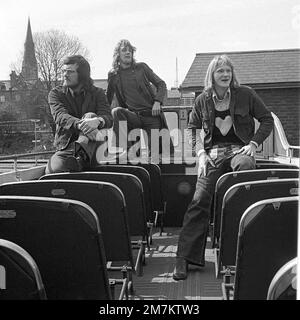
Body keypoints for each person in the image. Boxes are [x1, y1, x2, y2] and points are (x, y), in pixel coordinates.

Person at [173, 54, 274, 281]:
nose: (225, 75)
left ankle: (245, 250)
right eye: (220, 71)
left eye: (228, 70)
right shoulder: (202, 99)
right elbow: (191, 129)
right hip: (212, 155)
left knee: (246, 172)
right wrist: (200, 154)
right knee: (199, 199)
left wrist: (253, 143)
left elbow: (266, 119)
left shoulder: (246, 94)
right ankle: (184, 258)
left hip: (239, 151)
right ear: (212, 75)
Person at [45, 55, 113, 174]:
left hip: (95, 146)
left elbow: (108, 117)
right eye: (64, 71)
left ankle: (80, 158)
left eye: (70, 72)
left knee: (90, 116)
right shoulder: (56, 94)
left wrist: (98, 121)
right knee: (52, 171)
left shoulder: (98, 93)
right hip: (66, 148)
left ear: (82, 75)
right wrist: (81, 125)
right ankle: (79, 161)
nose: (65, 74)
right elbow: (60, 116)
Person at [107, 39, 172, 161]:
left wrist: (158, 101)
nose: (128, 53)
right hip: (133, 117)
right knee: (117, 111)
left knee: (155, 158)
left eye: (130, 50)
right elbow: (107, 99)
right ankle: (125, 151)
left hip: (151, 116)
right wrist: (100, 118)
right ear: (117, 55)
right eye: (124, 50)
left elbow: (161, 84)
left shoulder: (141, 68)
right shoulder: (114, 75)